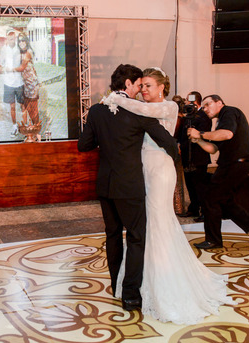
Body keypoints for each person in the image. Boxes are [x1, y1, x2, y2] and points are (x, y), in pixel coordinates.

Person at [102, 68, 234, 325]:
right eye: (142, 86)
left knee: (157, 221)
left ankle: (161, 280)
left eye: (149, 86)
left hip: (160, 171)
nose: (144, 91)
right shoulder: (139, 105)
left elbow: (142, 112)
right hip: (142, 169)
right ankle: (139, 280)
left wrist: (116, 98)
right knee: (144, 224)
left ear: (162, 87)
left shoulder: (167, 108)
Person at [78, 64, 178, 312]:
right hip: (130, 186)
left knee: (112, 235)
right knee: (136, 237)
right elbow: (167, 141)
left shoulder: (96, 111)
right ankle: (131, 294)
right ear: (129, 85)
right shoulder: (138, 112)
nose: (140, 90)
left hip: (105, 185)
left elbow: (84, 145)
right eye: (138, 85)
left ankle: (115, 284)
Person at [188, 95, 249, 250]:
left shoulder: (229, 112)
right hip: (231, 165)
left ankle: (214, 240)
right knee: (224, 200)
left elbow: (227, 134)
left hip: (235, 164)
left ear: (220, 103)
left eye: (208, 104)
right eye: (203, 107)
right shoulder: (221, 121)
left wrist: (200, 134)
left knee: (210, 199)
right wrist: (198, 140)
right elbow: (214, 149)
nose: (205, 109)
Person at [179, 91, 212, 222]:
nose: (187, 103)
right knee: (190, 184)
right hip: (187, 156)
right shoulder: (187, 116)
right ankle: (193, 208)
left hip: (199, 156)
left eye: (189, 101)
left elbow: (204, 133)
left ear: (196, 102)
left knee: (200, 185)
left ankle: (205, 211)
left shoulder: (204, 116)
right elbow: (182, 134)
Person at [0, 29, 24, 137]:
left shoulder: (20, 48)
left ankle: (25, 126)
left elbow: (25, 64)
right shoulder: (4, 50)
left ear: (15, 38)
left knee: (23, 106)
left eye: (12, 37)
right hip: (8, 83)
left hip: (19, 82)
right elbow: (0, 65)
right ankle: (14, 126)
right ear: (7, 38)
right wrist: (4, 69)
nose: (11, 39)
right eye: (9, 38)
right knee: (12, 107)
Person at [14, 33, 40, 126]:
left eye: (23, 40)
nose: (21, 43)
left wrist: (8, 69)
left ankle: (37, 133)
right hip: (24, 85)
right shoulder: (20, 53)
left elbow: (21, 67)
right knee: (25, 107)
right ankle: (27, 131)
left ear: (26, 41)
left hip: (32, 85)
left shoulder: (29, 52)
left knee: (33, 109)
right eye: (19, 41)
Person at [171, 94, 186, 215]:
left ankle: (177, 207)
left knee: (174, 179)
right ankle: (179, 208)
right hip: (177, 148)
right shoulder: (184, 118)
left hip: (172, 148)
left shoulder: (174, 118)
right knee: (177, 179)